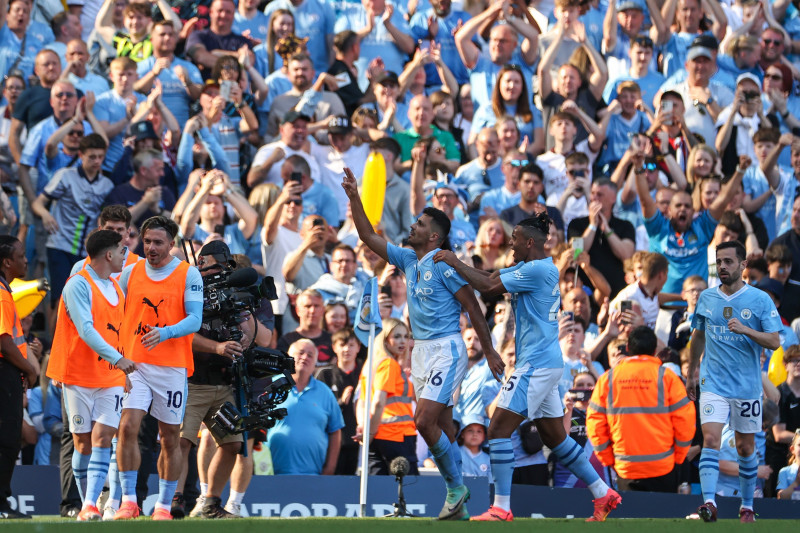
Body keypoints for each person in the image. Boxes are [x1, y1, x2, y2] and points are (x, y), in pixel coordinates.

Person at [433, 213, 621, 522]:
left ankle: (501, 509)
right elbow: (492, 275)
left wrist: (454, 261)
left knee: (497, 429)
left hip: (536, 365)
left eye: (515, 238)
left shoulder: (537, 269)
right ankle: (603, 493)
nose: (510, 242)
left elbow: (489, 284)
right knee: (555, 439)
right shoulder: (533, 268)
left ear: (530, 242)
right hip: (544, 363)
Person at [342, 167, 503, 520]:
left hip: (446, 348)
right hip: (422, 352)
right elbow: (368, 235)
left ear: (433, 236)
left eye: (418, 223)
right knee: (443, 426)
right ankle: (460, 506)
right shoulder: (407, 258)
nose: (412, 226)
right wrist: (355, 197)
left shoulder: (444, 266)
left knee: (423, 421)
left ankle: (456, 488)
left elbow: (474, 307)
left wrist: (489, 351)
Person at [114, 216, 203, 520]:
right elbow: (112, 308)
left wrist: (165, 333)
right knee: (127, 426)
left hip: (171, 367)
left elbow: (195, 319)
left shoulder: (188, 274)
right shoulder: (130, 272)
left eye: (158, 242)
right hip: (134, 365)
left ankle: (164, 505)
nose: (150, 248)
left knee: (169, 437)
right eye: (147, 241)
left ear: (171, 244)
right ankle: (128, 500)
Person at [688, 240, 782, 522]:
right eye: (719, 262)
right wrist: (693, 370)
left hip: (746, 387)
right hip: (713, 383)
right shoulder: (707, 298)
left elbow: (775, 341)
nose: (723, 267)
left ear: (743, 265)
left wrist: (745, 330)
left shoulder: (760, 300)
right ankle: (708, 503)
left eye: (729, 262)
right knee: (711, 439)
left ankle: (747, 505)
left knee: (745, 447)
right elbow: (699, 336)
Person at [46, 229, 136, 520]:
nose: (126, 256)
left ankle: (90, 506)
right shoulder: (77, 285)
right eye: (123, 251)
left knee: (102, 437)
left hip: (109, 376)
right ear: (109, 254)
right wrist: (120, 360)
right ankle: (88, 502)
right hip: (78, 375)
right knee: (82, 442)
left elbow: (119, 332)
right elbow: (86, 330)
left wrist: (122, 370)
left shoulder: (116, 287)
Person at [587, 326, 696, 493]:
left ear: (628, 349)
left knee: (630, 518)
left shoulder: (608, 379)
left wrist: (608, 460)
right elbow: (686, 422)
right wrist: (679, 457)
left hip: (626, 467)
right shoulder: (668, 378)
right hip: (663, 466)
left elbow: (595, 424)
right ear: (655, 350)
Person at [31, 133, 113, 311]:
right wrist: (46, 215)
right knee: (59, 297)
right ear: (81, 155)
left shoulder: (107, 184)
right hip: (60, 244)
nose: (97, 161)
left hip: (87, 249)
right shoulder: (65, 176)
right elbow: (37, 203)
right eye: (92, 156)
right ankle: (54, 338)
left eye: (100, 157)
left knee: (81, 299)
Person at [267, 339, 344, 475]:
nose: (305, 357)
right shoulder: (272, 387)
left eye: (310, 355)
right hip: (270, 474)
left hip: (313, 476)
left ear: (315, 363)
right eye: (301, 353)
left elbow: (335, 430)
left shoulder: (325, 392)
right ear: (288, 358)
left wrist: (330, 468)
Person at [0, 236, 37, 520]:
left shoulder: (5, 290)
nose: (26, 260)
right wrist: (29, 368)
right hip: (4, 373)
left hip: (9, 373)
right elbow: (4, 342)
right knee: (7, 440)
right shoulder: (1, 293)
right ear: (7, 261)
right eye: (22, 256)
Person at [356, 318, 418, 475]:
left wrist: (365, 428)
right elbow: (377, 403)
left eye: (405, 336)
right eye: (396, 336)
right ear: (384, 339)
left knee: (377, 489)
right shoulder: (389, 364)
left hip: (377, 435)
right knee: (409, 488)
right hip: (396, 436)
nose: (403, 341)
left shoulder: (370, 365)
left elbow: (361, 403)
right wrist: (368, 433)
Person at [316, 328, 363, 475]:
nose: (346, 349)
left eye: (351, 345)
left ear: (358, 347)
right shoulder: (326, 375)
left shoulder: (366, 373)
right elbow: (318, 407)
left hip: (359, 443)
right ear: (334, 347)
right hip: (334, 443)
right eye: (342, 344)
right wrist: (340, 402)